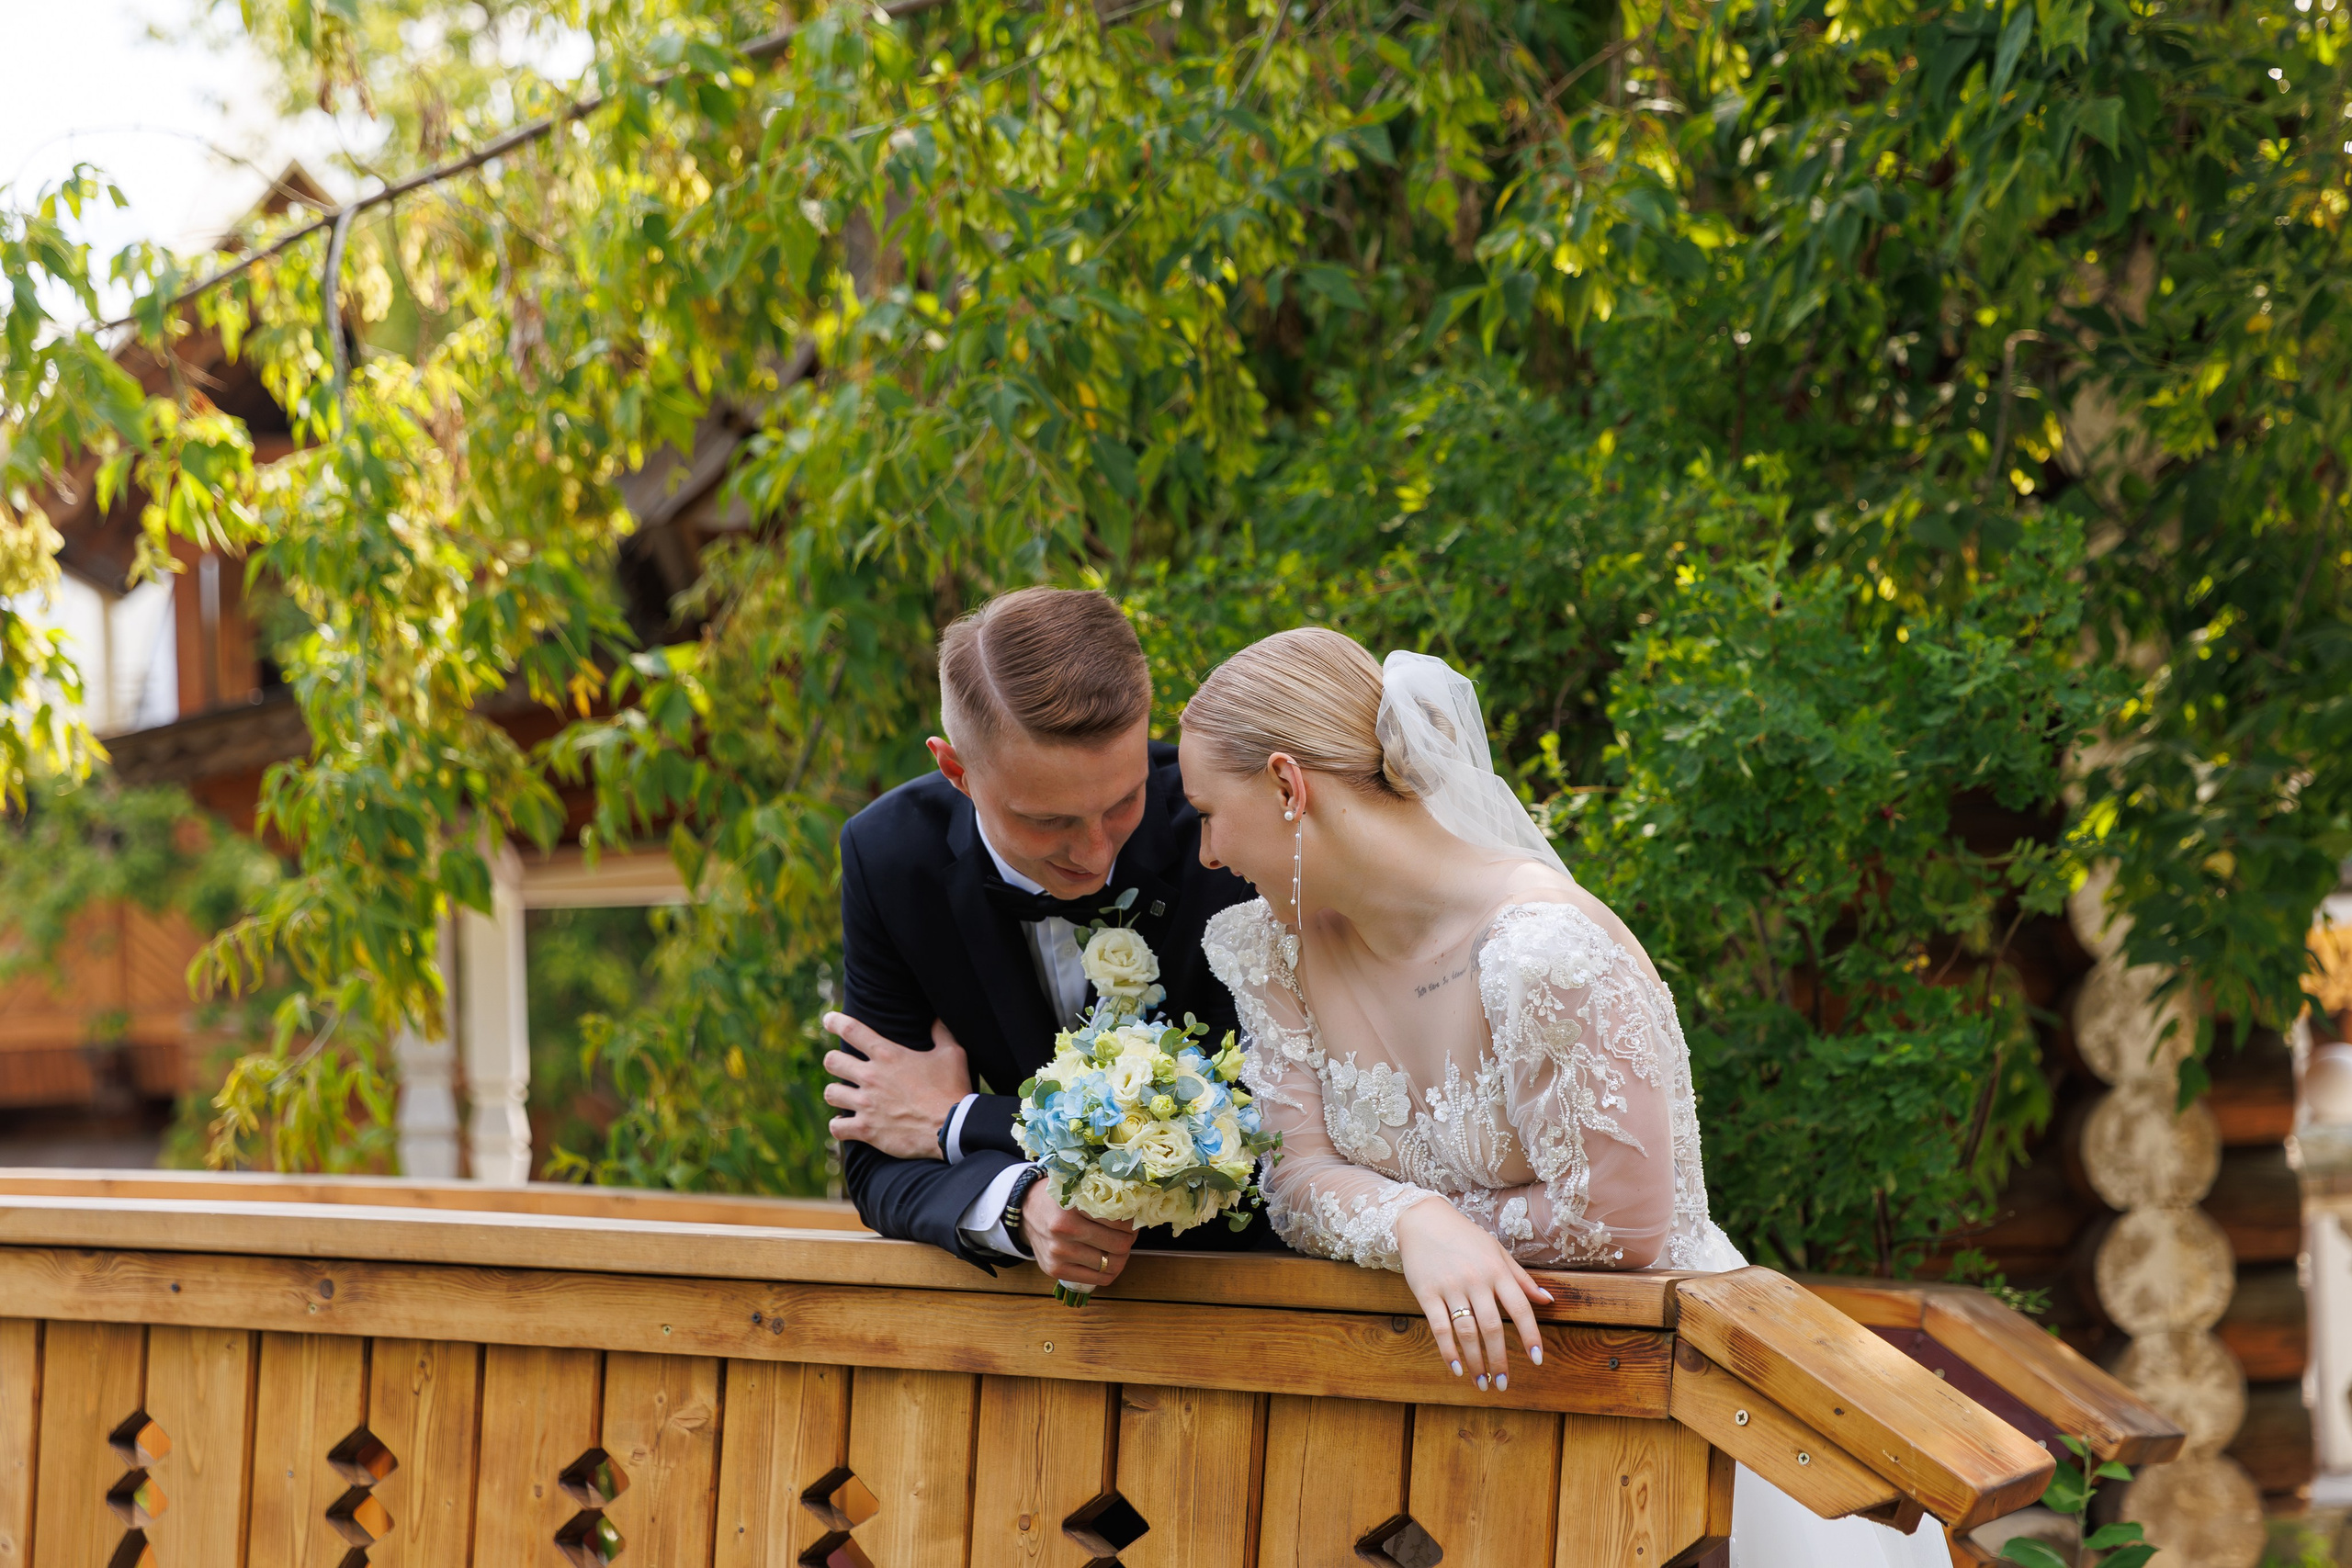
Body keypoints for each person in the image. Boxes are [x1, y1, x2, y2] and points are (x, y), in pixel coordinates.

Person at [1178, 626, 1951, 1568]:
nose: (1208, 852)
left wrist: (1446, 1230)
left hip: (1657, 1399)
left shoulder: (1539, 951)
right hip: (1421, 1436)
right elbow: (1293, 1178)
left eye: (1208, 812)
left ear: (1288, 787)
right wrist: (1414, 1225)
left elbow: (1619, 1222)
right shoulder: (1270, 950)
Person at [820, 585, 1268, 1291]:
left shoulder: (1221, 839)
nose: (1092, 852)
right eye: (1046, 820)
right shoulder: (890, 859)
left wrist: (959, 1120)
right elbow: (876, 1154)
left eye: (1123, 801)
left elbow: (1251, 1135)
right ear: (956, 771)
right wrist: (1018, 1200)